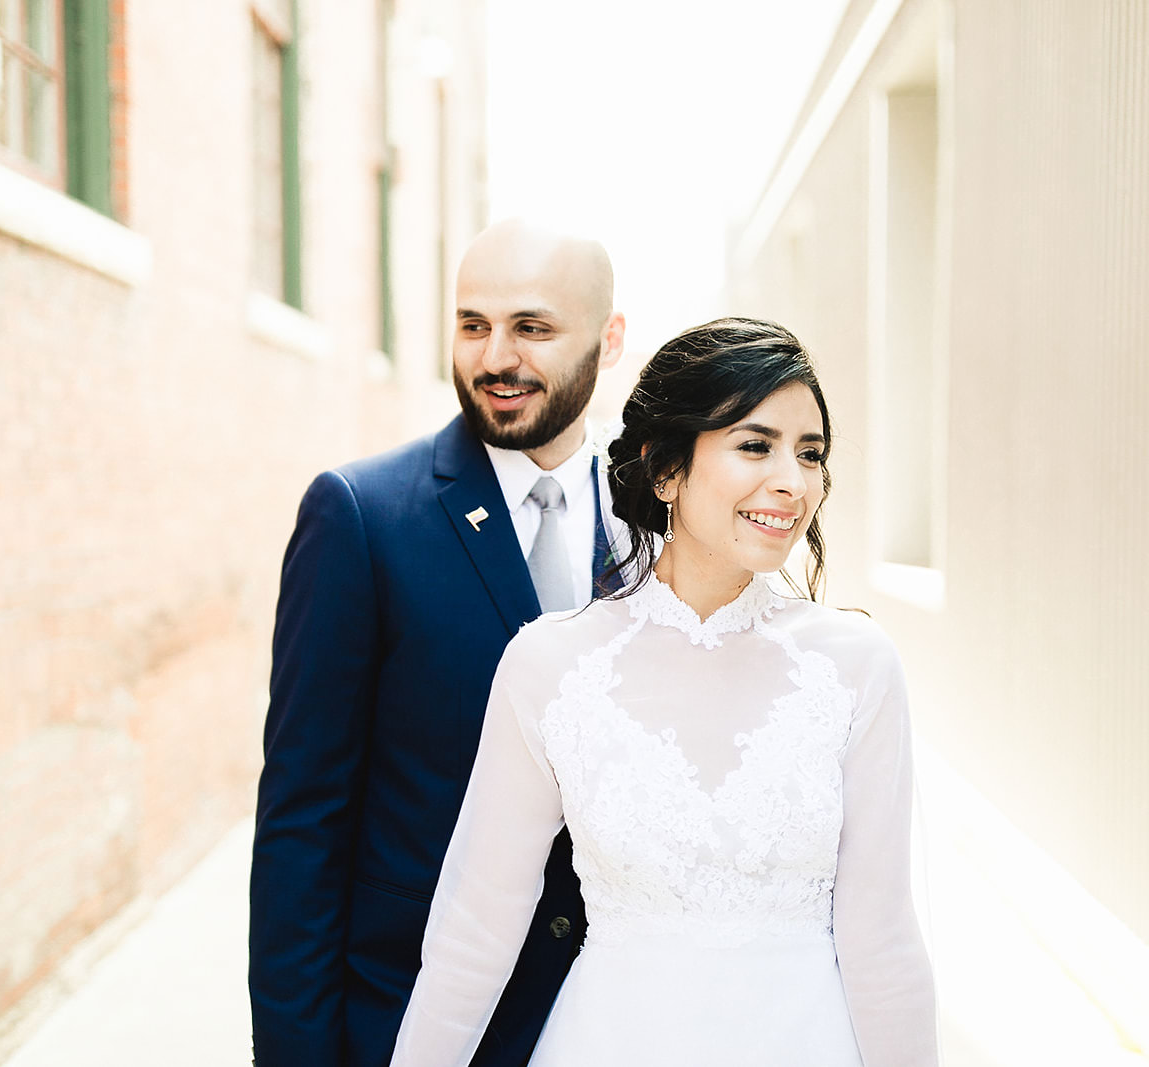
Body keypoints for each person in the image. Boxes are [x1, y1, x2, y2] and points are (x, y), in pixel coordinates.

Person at [389, 318, 939, 1066]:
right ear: (666, 470)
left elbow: (885, 940)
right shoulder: (551, 665)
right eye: (755, 444)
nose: (793, 480)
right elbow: (475, 931)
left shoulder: (855, 667)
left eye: (810, 454)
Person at [249, 219, 627, 1066]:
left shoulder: (656, 524)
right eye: (472, 324)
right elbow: (302, 821)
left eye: (532, 328)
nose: (495, 356)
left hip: (607, 1019)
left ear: (609, 339)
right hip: (409, 1016)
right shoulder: (359, 515)